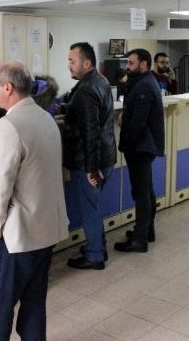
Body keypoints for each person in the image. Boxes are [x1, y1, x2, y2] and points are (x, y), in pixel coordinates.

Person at [0, 62, 69, 341]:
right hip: (46, 228)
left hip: (16, 236)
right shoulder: (45, 117)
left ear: (8, 88)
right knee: (33, 304)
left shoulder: (8, 125)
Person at [61, 42, 117, 270]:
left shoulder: (86, 89)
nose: (69, 65)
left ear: (86, 63)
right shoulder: (99, 81)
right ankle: (98, 246)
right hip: (106, 156)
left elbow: (90, 133)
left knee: (89, 210)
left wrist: (92, 169)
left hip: (90, 162)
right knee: (92, 206)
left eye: (72, 61)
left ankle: (95, 256)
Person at [114, 49, 165, 253]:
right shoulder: (144, 82)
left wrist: (127, 142)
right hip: (144, 145)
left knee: (141, 192)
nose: (127, 66)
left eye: (131, 63)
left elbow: (138, 122)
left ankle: (140, 239)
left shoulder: (144, 85)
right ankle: (146, 230)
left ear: (143, 64)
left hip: (141, 146)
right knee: (146, 189)